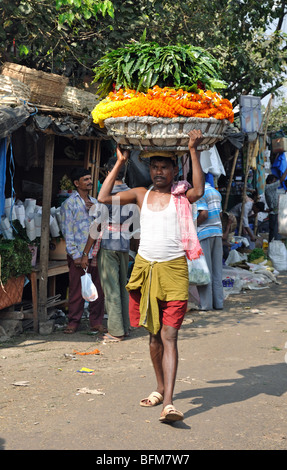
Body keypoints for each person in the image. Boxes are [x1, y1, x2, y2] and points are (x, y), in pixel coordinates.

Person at [97, 130, 205, 424]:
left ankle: (168, 403)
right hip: (145, 270)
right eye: (155, 167)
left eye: (165, 167)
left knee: (170, 336)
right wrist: (120, 162)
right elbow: (103, 197)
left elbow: (200, 189)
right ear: (150, 170)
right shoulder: (141, 194)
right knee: (154, 336)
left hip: (173, 271)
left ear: (173, 171)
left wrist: (193, 151)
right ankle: (159, 388)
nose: (159, 172)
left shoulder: (182, 195)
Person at [81, 157, 133, 342]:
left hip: (109, 245)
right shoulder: (131, 192)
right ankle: (124, 327)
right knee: (121, 286)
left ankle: (116, 331)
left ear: (108, 172)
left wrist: (86, 252)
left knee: (111, 289)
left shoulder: (106, 193)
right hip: (125, 244)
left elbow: (97, 226)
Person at [60, 168, 105, 334]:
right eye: (85, 179)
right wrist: (76, 255)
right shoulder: (69, 204)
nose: (89, 181)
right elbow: (67, 232)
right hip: (78, 254)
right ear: (77, 183)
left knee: (98, 289)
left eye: (90, 178)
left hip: (95, 252)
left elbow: (101, 225)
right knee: (76, 290)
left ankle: (96, 322)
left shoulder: (95, 202)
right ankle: (73, 322)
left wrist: (96, 210)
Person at [196, 179, 224, 311]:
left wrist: (191, 226)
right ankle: (219, 303)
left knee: (205, 271)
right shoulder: (216, 193)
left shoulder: (199, 193)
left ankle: (206, 305)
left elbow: (204, 214)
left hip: (204, 233)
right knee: (217, 271)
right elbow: (220, 214)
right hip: (217, 232)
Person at [264, 167, 287, 242]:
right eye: (274, 181)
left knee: (276, 230)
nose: (275, 182)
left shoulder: (272, 189)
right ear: (270, 182)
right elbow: (282, 180)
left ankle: (275, 245)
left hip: (276, 212)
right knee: (274, 231)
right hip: (274, 213)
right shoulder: (268, 187)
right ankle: (273, 246)